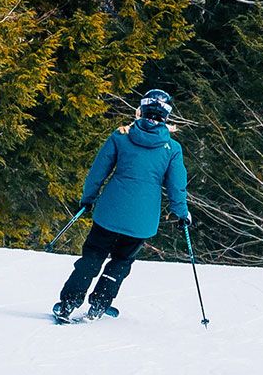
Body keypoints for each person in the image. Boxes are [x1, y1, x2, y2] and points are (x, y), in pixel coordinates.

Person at [52, 89, 189, 324]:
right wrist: (181, 213)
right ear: (166, 116)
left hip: (110, 212)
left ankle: (68, 303)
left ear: (141, 109)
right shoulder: (172, 149)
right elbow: (177, 187)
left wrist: (88, 198)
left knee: (93, 255)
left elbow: (98, 171)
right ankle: (99, 304)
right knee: (122, 261)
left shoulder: (121, 136)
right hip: (142, 220)